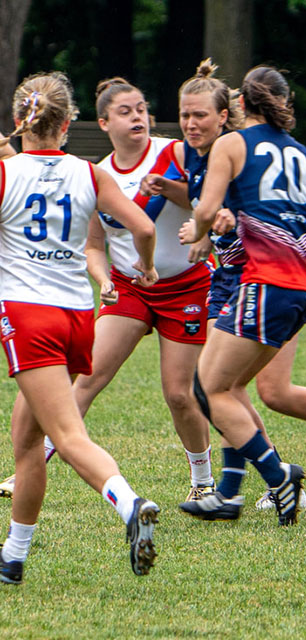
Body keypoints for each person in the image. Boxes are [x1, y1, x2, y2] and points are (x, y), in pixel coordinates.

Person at [148, 59, 306, 512]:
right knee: (233, 386)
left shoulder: (232, 146)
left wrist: (201, 229)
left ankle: (278, 476)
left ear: (239, 105)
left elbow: (206, 208)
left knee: (208, 389)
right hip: (302, 287)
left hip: (263, 281)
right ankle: (228, 492)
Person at [0, 77, 216, 502]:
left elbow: (211, 198)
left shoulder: (169, 151)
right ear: (100, 123)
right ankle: (30, 462)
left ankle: (203, 481)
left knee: (179, 394)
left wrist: (175, 198)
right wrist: (103, 280)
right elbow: (95, 245)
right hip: (129, 289)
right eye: (125, 111)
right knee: (87, 377)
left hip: (185, 286)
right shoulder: (98, 173)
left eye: (141, 108)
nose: (137, 116)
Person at [0, 72, 160, 584]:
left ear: (20, 120)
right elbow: (144, 227)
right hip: (77, 318)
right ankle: (13, 556)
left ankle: (130, 504)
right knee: (26, 441)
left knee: (67, 437)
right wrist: (147, 267)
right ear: (68, 124)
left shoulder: (6, 175)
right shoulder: (90, 175)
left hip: (29, 317)